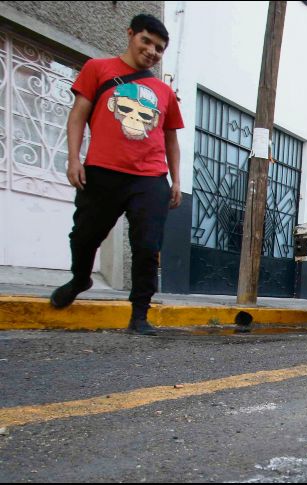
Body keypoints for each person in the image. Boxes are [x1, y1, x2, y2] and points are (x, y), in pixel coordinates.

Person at [49, 14, 184, 336]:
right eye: (146, 41)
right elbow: (78, 115)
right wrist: (73, 159)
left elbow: (171, 139)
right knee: (84, 236)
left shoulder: (163, 91)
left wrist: (176, 180)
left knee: (147, 247)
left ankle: (139, 314)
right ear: (131, 35)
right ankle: (80, 278)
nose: (152, 51)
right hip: (102, 171)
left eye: (160, 48)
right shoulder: (98, 69)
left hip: (150, 177)